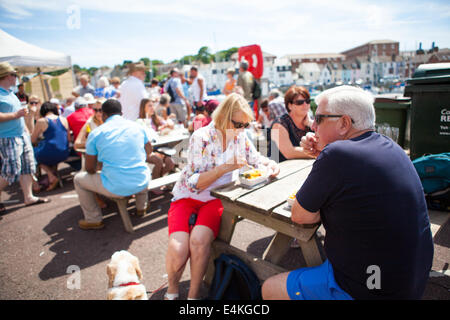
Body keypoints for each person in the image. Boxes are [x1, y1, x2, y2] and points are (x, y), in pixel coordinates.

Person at [262, 85, 434, 300]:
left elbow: (300, 215)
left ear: (344, 123)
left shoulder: (338, 153)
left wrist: (326, 155)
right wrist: (323, 154)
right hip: (411, 279)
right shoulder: (390, 145)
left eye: (319, 118)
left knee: (269, 288)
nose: (313, 125)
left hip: (370, 288)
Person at [164, 93, 280, 300]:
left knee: (199, 241)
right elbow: (193, 181)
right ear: (223, 117)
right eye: (238, 123)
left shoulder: (240, 135)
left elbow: (256, 159)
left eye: (245, 124)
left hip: (216, 198)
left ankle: (193, 295)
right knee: (179, 247)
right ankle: (172, 290)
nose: (242, 129)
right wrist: (224, 168)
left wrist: (270, 164)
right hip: (187, 195)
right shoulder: (200, 137)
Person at [73, 99, 152, 230]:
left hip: (117, 187)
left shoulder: (96, 133)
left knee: (78, 179)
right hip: (142, 181)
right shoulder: (137, 126)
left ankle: (93, 219)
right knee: (141, 167)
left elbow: (89, 169)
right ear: (121, 113)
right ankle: (141, 207)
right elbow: (149, 151)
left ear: (103, 114)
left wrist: (103, 165)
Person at [0, 62, 50, 212]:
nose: (17, 78)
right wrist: (16, 114)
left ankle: (29, 197)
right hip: (7, 137)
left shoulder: (9, 93)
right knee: (11, 170)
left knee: (28, 166)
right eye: (15, 75)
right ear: (7, 76)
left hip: (20, 135)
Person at [268, 85, 314, 163]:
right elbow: (289, 153)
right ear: (290, 106)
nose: (305, 104)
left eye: (308, 101)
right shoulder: (279, 124)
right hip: (282, 170)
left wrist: (310, 123)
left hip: (303, 167)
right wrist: (317, 152)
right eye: (300, 102)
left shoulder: (311, 122)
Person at [31, 102, 70, 192]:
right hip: (64, 152)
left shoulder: (42, 121)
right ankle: (52, 176)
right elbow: (68, 138)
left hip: (49, 152)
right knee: (48, 153)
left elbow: (33, 139)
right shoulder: (64, 119)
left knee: (34, 155)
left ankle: (51, 176)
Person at [137, 98, 175, 191]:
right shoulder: (139, 121)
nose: (152, 108)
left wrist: (166, 125)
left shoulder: (156, 118)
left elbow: (171, 125)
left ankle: (157, 179)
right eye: (149, 106)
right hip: (146, 150)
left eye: (152, 105)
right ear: (143, 108)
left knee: (171, 163)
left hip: (160, 148)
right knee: (158, 161)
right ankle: (155, 184)